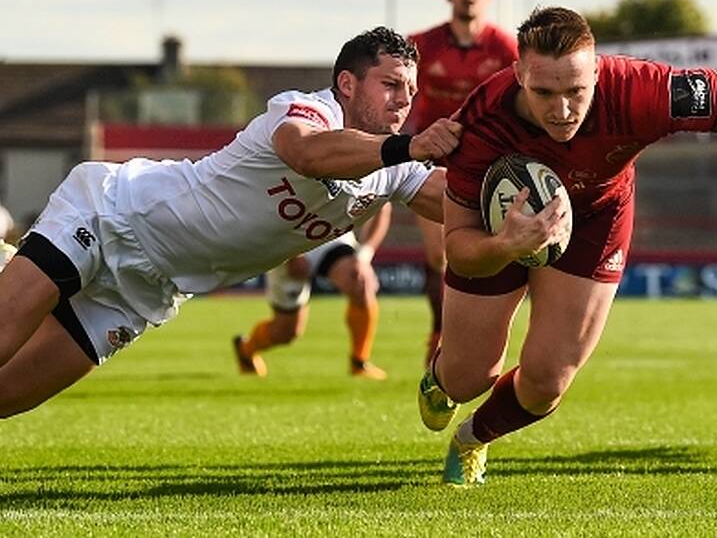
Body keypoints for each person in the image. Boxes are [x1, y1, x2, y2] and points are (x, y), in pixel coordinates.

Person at [417, 6, 717, 485]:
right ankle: (441, 379)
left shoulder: (643, 91)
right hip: (499, 230)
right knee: (468, 376)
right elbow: (459, 244)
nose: (561, 110)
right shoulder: (478, 127)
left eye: (576, 91)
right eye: (543, 92)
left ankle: (473, 438)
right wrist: (508, 243)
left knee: (546, 385)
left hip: (597, 215)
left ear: (598, 70)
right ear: (517, 74)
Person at [0, 26, 461, 419]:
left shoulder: (396, 168)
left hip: (143, 294)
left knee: (7, 397)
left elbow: (455, 200)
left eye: (411, 91)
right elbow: (308, 154)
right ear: (346, 82)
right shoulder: (304, 108)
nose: (403, 102)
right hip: (109, 215)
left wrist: (519, 209)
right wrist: (411, 148)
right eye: (391, 84)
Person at [404, 0, 518, 366]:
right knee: (439, 254)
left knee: (485, 252)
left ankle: (477, 335)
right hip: (433, 165)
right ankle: (440, 334)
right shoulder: (420, 45)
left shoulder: (507, 49)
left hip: (490, 168)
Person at [233, 203, 393, 380]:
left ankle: (359, 362)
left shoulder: (370, 176)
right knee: (286, 332)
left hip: (331, 231)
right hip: (289, 237)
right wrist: (291, 255)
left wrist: (363, 257)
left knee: (361, 283)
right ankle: (246, 350)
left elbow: (383, 206)